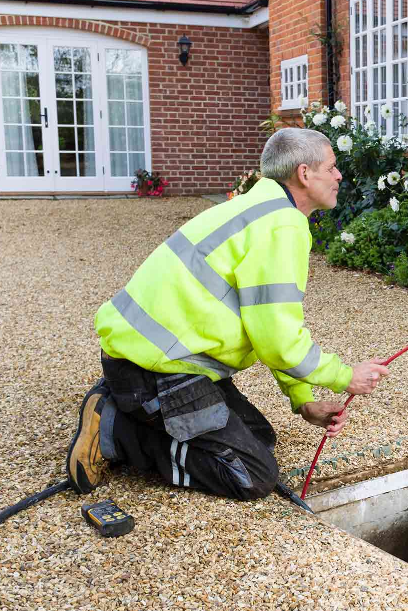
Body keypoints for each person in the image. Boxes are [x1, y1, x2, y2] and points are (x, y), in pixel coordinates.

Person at [65, 128, 389, 500]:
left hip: (154, 359)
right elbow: (279, 341)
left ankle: (122, 403)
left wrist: (303, 399)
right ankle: (117, 427)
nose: (338, 176)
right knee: (250, 474)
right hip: (153, 371)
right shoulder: (282, 226)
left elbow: (267, 325)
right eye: (332, 168)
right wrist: (345, 377)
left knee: (260, 439)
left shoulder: (258, 208)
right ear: (304, 174)